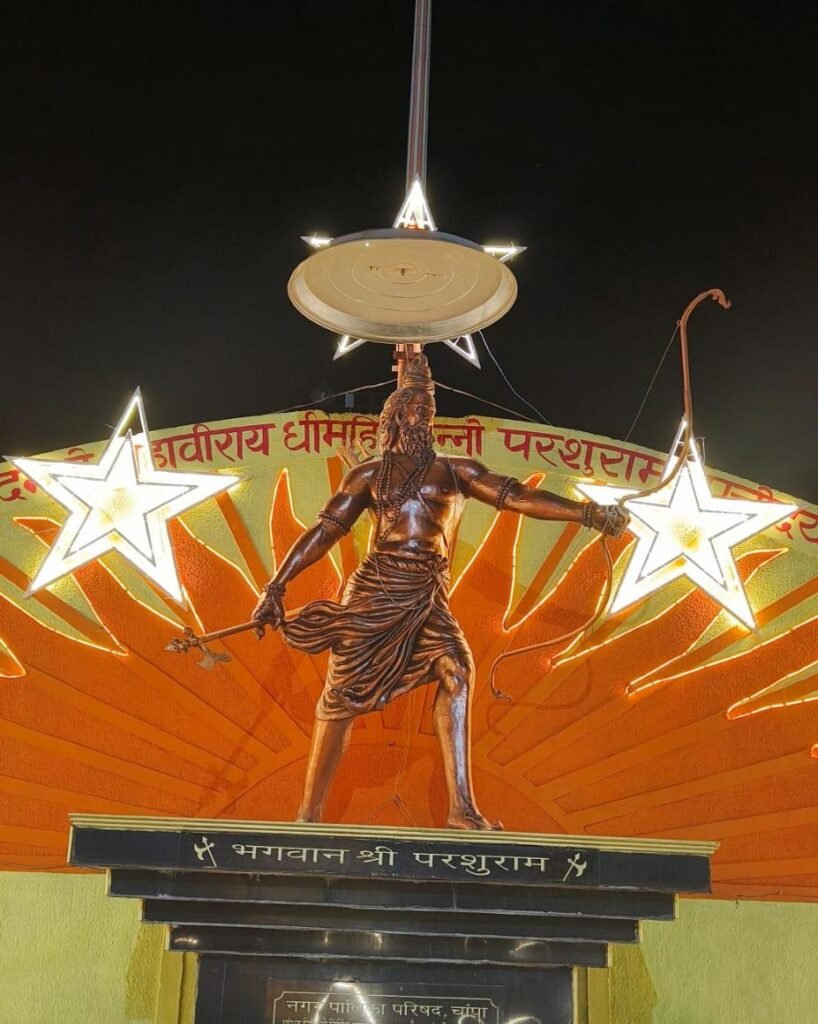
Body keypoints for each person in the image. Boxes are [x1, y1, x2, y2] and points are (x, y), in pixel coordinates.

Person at [252, 354, 628, 830]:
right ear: (395, 415)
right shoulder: (367, 474)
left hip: (426, 592)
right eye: (415, 409)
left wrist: (587, 513)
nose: (425, 417)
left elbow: (514, 495)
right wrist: (276, 586)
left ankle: (461, 809)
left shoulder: (455, 471)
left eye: (429, 410)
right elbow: (324, 531)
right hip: (376, 590)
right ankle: (308, 816)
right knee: (342, 698)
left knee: (457, 670)